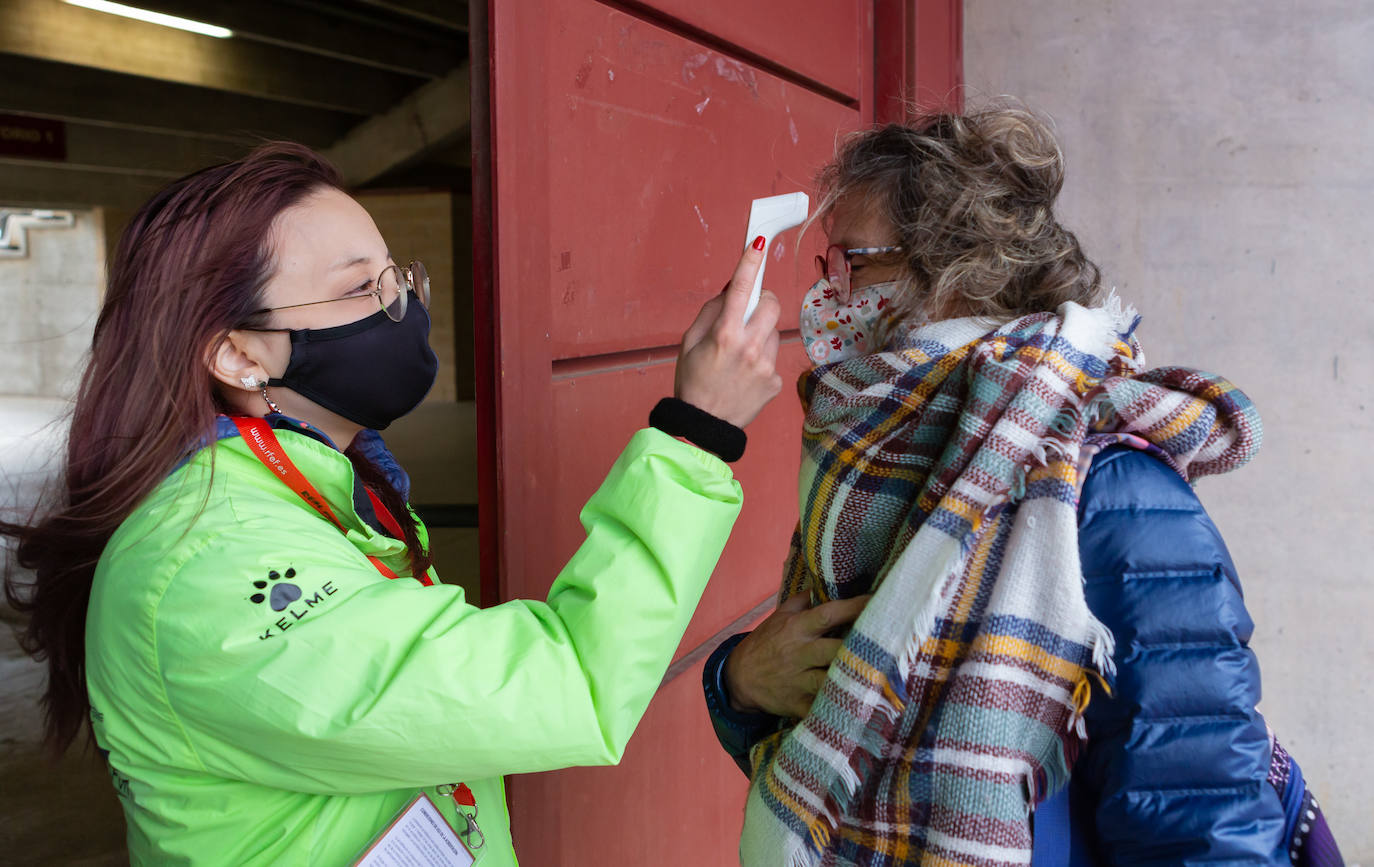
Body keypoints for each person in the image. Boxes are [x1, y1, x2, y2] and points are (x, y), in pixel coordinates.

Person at [1, 142, 784, 865]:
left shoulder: (324, 484)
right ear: (238, 353)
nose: (400, 304)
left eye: (395, 275)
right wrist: (695, 433)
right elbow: (567, 684)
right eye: (358, 288)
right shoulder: (210, 566)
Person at [701, 107, 1344, 865]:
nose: (829, 299)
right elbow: (826, 745)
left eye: (856, 264)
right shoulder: (874, 473)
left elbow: (1201, 827)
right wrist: (738, 682)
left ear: (955, 271)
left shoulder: (1117, 495)